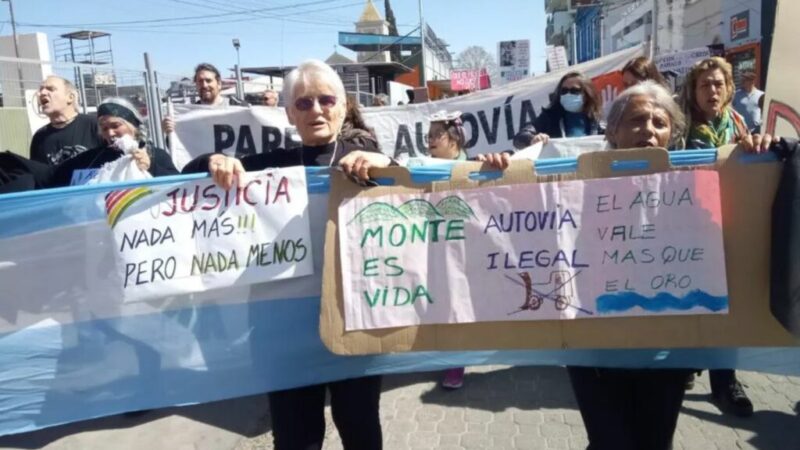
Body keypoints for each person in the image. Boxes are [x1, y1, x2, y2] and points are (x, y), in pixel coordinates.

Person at [182, 59, 392, 450]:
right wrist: (211, 162)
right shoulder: (268, 168)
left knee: (360, 425)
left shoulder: (367, 162)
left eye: (326, 100)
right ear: (288, 114)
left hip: (354, 321)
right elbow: (186, 179)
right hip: (281, 330)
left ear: (343, 106)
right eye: (303, 103)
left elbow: (417, 195)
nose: (316, 110)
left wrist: (388, 165)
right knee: (296, 437)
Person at [568, 81, 694, 450]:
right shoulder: (577, 181)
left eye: (660, 123)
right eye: (638, 120)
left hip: (665, 349)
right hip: (594, 348)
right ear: (613, 130)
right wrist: (496, 168)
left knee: (655, 442)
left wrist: (759, 153)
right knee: (609, 442)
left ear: (671, 133)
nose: (649, 131)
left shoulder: (695, 180)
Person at [679, 56, 771, 418]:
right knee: (688, 303)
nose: (712, 90)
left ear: (729, 89)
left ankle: (724, 382)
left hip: (730, 228)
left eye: (718, 84)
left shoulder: (739, 125)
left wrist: (760, 147)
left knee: (725, 306)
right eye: (705, 85)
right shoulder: (678, 127)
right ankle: (684, 366)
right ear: (694, 91)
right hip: (686, 231)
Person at [50, 97, 178, 188]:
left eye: (115, 126)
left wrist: (151, 167)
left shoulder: (156, 155)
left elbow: (179, 188)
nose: (110, 133)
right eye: (104, 128)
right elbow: (55, 180)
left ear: (132, 126)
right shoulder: (90, 159)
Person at [513, 71, 603, 149]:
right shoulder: (549, 118)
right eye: (564, 91)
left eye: (574, 91)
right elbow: (519, 138)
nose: (568, 94)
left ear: (587, 94)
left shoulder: (596, 121)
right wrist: (532, 139)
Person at [29, 76, 103, 166]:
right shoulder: (40, 137)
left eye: (51, 89)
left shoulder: (95, 125)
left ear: (70, 98)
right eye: (41, 90)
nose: (42, 93)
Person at [162, 63, 246, 134]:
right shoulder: (189, 114)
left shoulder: (239, 106)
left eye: (208, 80)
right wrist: (170, 131)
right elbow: (179, 147)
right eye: (200, 81)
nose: (204, 85)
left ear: (219, 84)